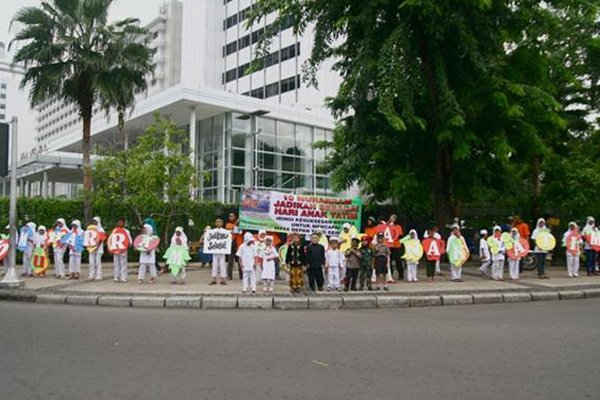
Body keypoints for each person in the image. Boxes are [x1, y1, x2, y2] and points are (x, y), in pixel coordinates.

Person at [111, 218, 132, 283]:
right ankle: (116, 276)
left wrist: (129, 244)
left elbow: (129, 239)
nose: (119, 224)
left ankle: (123, 277)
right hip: (116, 249)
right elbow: (111, 239)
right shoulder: (114, 230)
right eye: (118, 222)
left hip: (123, 249)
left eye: (121, 222)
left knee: (123, 263)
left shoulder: (126, 231)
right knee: (116, 263)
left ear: (124, 223)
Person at [209, 219, 228, 286]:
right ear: (215, 223)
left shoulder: (225, 232)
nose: (218, 223)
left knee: (222, 265)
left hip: (222, 251)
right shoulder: (212, 231)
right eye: (217, 222)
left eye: (220, 222)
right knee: (214, 265)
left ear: (222, 223)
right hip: (215, 251)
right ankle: (214, 279)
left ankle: (223, 279)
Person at [87, 216, 105, 282]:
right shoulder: (90, 229)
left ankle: (98, 275)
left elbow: (101, 239)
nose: (94, 222)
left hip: (98, 248)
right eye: (93, 221)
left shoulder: (101, 229)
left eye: (96, 221)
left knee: (98, 262)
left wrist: (97, 246)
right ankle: (91, 275)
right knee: (91, 262)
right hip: (91, 248)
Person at [225, 212, 242, 280]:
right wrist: (236, 223)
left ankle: (242, 275)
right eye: (230, 216)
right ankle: (229, 275)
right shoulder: (228, 224)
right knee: (230, 261)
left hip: (239, 244)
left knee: (240, 261)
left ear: (235, 216)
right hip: (231, 243)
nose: (231, 217)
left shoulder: (241, 224)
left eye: (232, 216)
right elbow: (231, 229)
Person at [388, 214, 404, 281]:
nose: (391, 219)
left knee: (398, 261)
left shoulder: (398, 226)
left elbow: (400, 235)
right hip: (390, 245)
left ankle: (401, 275)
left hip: (397, 245)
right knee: (389, 261)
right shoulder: (388, 226)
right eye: (390, 218)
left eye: (393, 218)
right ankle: (390, 275)